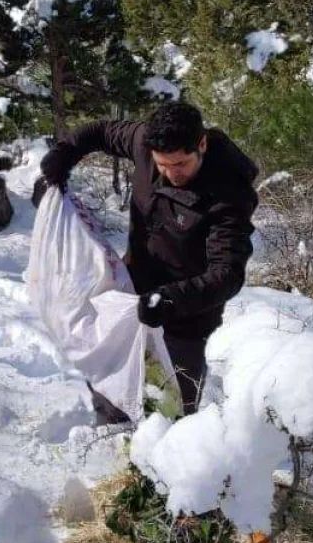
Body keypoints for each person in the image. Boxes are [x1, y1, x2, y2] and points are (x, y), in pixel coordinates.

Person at [35, 102, 258, 419]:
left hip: (187, 316)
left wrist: (171, 300)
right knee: (110, 385)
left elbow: (228, 273)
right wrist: (64, 154)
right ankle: (112, 434)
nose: (171, 173)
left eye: (180, 163)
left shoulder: (230, 194)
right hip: (132, 290)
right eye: (163, 164)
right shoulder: (144, 141)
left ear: (202, 144)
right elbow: (100, 131)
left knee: (171, 409)